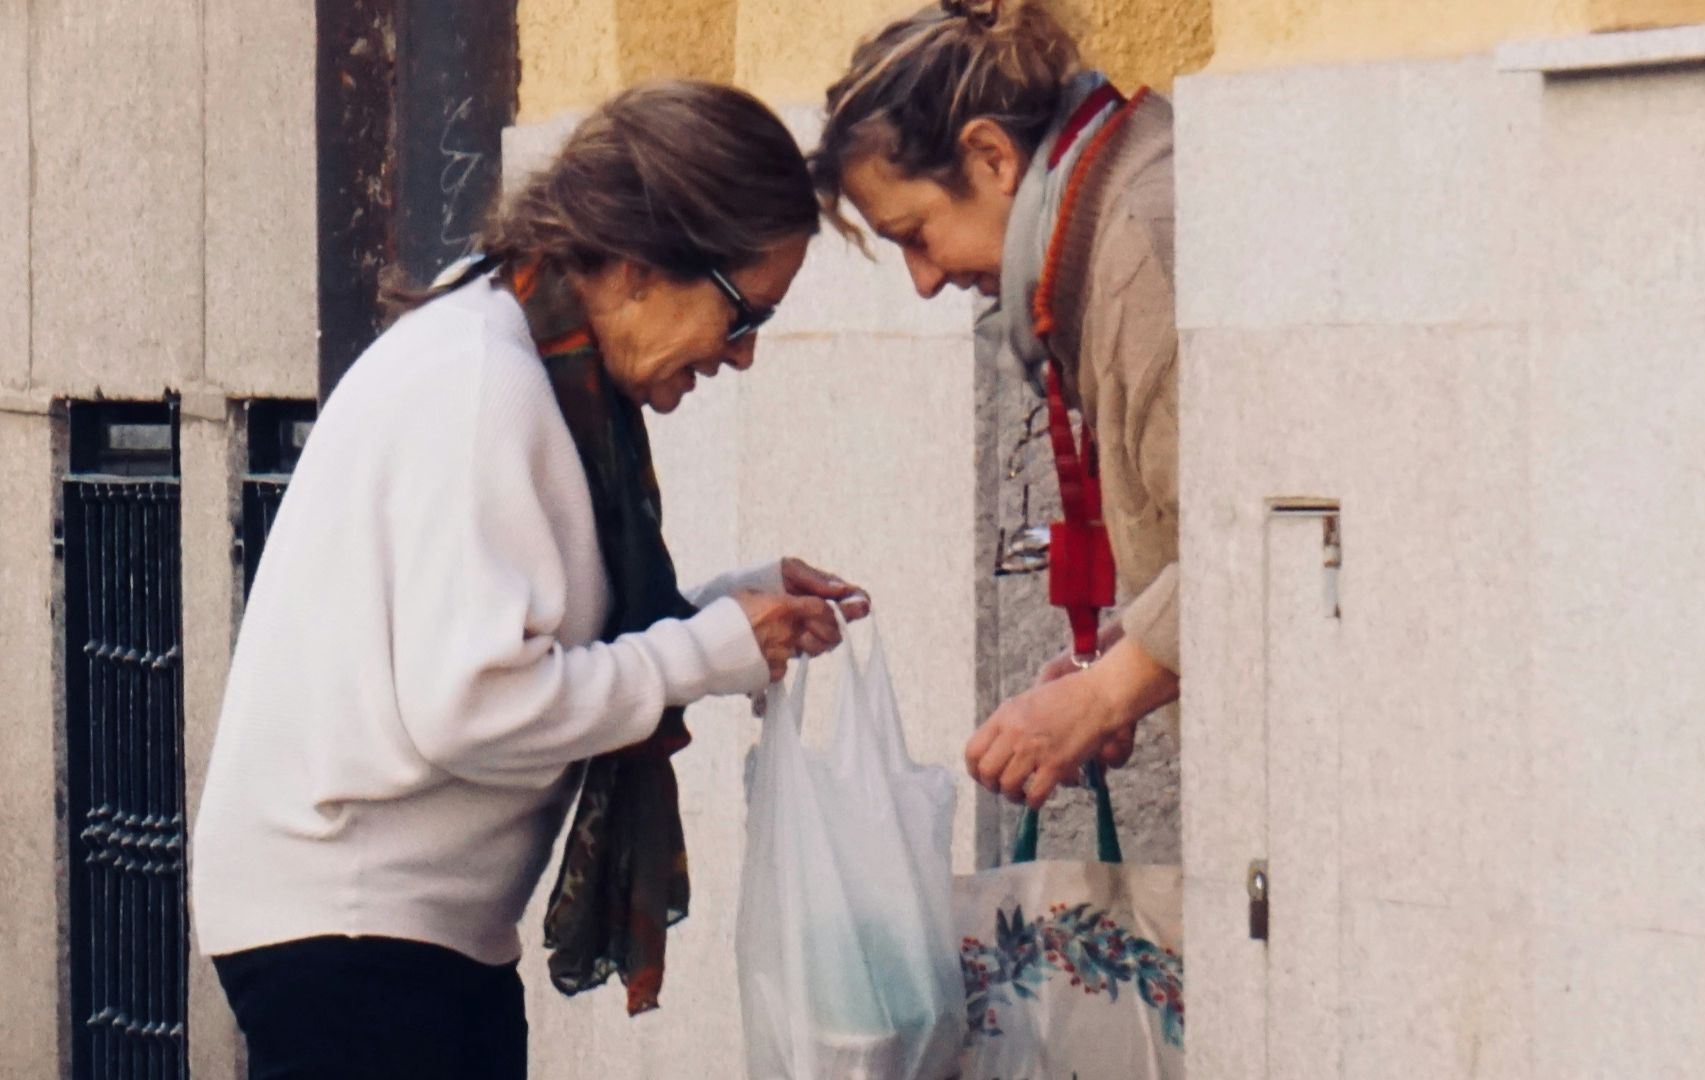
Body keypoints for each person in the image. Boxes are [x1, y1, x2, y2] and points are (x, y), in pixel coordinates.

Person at [190, 81, 865, 1080]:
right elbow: (474, 704)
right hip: (354, 929)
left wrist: (728, 612)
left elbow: (536, 640)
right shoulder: (485, 384)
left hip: (392, 927)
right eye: (742, 313)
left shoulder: (528, 360)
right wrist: (702, 653)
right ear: (639, 267)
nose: (746, 354)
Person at [812, 0, 1179, 809]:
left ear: (989, 157)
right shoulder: (1109, 222)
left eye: (916, 234)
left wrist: (1103, 694)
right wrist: (1125, 658)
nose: (925, 280)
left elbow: (1242, 552)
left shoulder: (1140, 250)